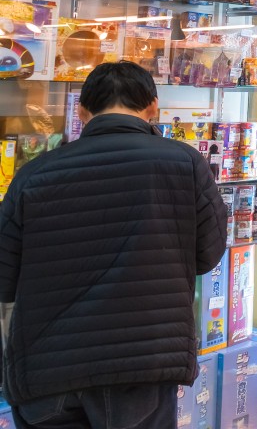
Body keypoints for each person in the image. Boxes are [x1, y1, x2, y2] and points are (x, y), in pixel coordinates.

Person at [0, 62, 227, 427]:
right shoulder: (185, 163)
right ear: (153, 107)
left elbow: (4, 277)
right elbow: (208, 254)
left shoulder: (34, 174)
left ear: (82, 111)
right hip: (145, 364)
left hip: (50, 367)